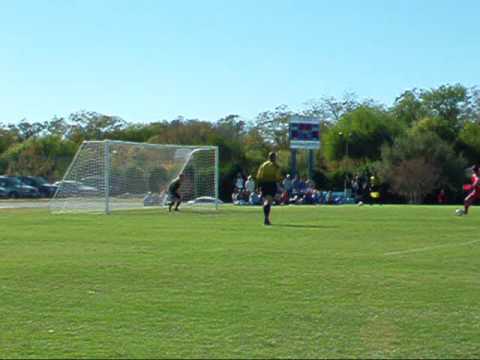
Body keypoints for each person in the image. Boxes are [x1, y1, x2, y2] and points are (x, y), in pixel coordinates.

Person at [256, 152, 282, 225]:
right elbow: (277, 177)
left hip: (264, 184)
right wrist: (279, 185)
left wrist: (258, 187)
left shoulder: (263, 165)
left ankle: (266, 218)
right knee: (269, 201)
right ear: (274, 158)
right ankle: (266, 218)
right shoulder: (276, 166)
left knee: (266, 200)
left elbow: (259, 177)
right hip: (271, 184)